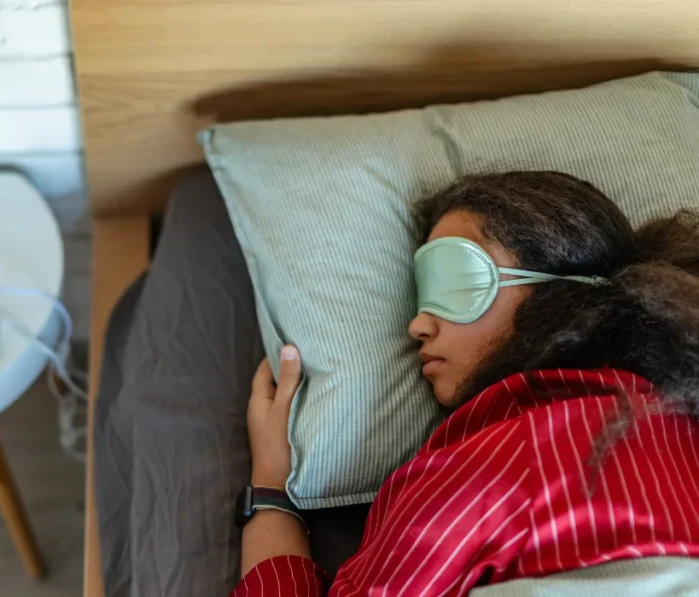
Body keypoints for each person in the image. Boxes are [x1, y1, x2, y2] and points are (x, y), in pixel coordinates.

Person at [233, 172, 699, 596]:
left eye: (453, 281)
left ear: (561, 288)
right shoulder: (680, 421)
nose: (418, 324)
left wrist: (271, 488)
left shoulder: (494, 458)